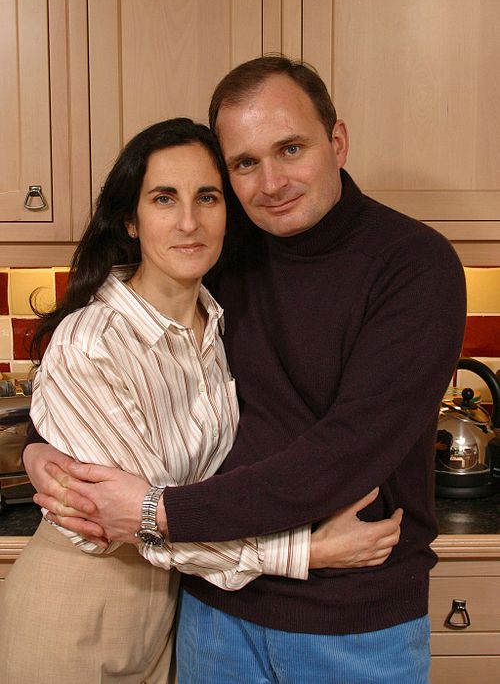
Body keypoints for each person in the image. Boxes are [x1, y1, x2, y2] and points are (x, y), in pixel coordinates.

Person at [22, 56, 466, 683]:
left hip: (354, 621)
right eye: (245, 163)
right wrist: (42, 441)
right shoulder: (220, 250)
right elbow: (113, 346)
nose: (272, 182)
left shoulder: (414, 265)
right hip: (213, 613)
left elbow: (346, 452)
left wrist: (158, 513)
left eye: (291, 149)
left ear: (337, 142)